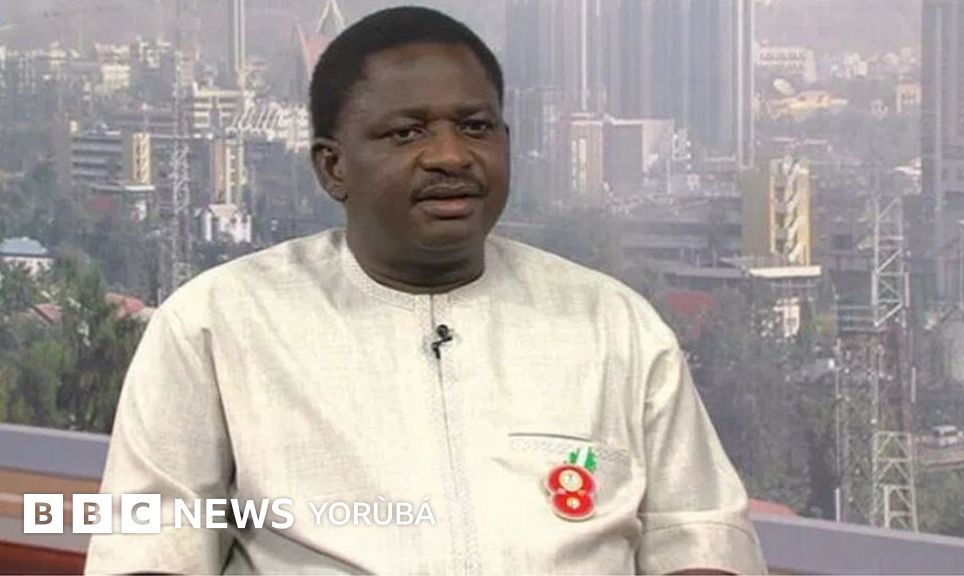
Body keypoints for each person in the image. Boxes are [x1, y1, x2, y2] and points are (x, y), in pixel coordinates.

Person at [85, 6, 766, 574]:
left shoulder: (614, 325)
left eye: (475, 126)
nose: (450, 155)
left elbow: (700, 538)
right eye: (406, 132)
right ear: (333, 166)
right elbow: (149, 546)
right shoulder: (217, 324)